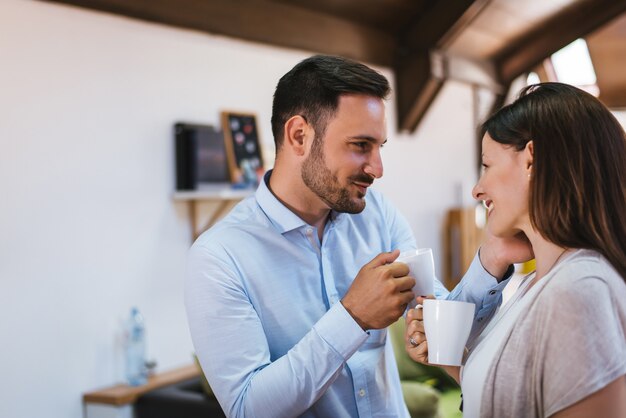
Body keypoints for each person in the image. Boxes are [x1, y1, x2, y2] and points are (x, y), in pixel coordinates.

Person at [185, 54, 518, 418]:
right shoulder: (219, 258)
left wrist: (491, 261)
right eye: (361, 145)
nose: (378, 168)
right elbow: (248, 408)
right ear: (299, 136)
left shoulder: (377, 213)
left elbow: (435, 313)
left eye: (380, 147)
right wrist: (353, 316)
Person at [405, 82, 626, 418]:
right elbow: (510, 397)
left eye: (487, 165)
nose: (477, 190)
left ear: (531, 160)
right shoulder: (539, 283)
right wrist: (447, 356)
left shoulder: (579, 289)